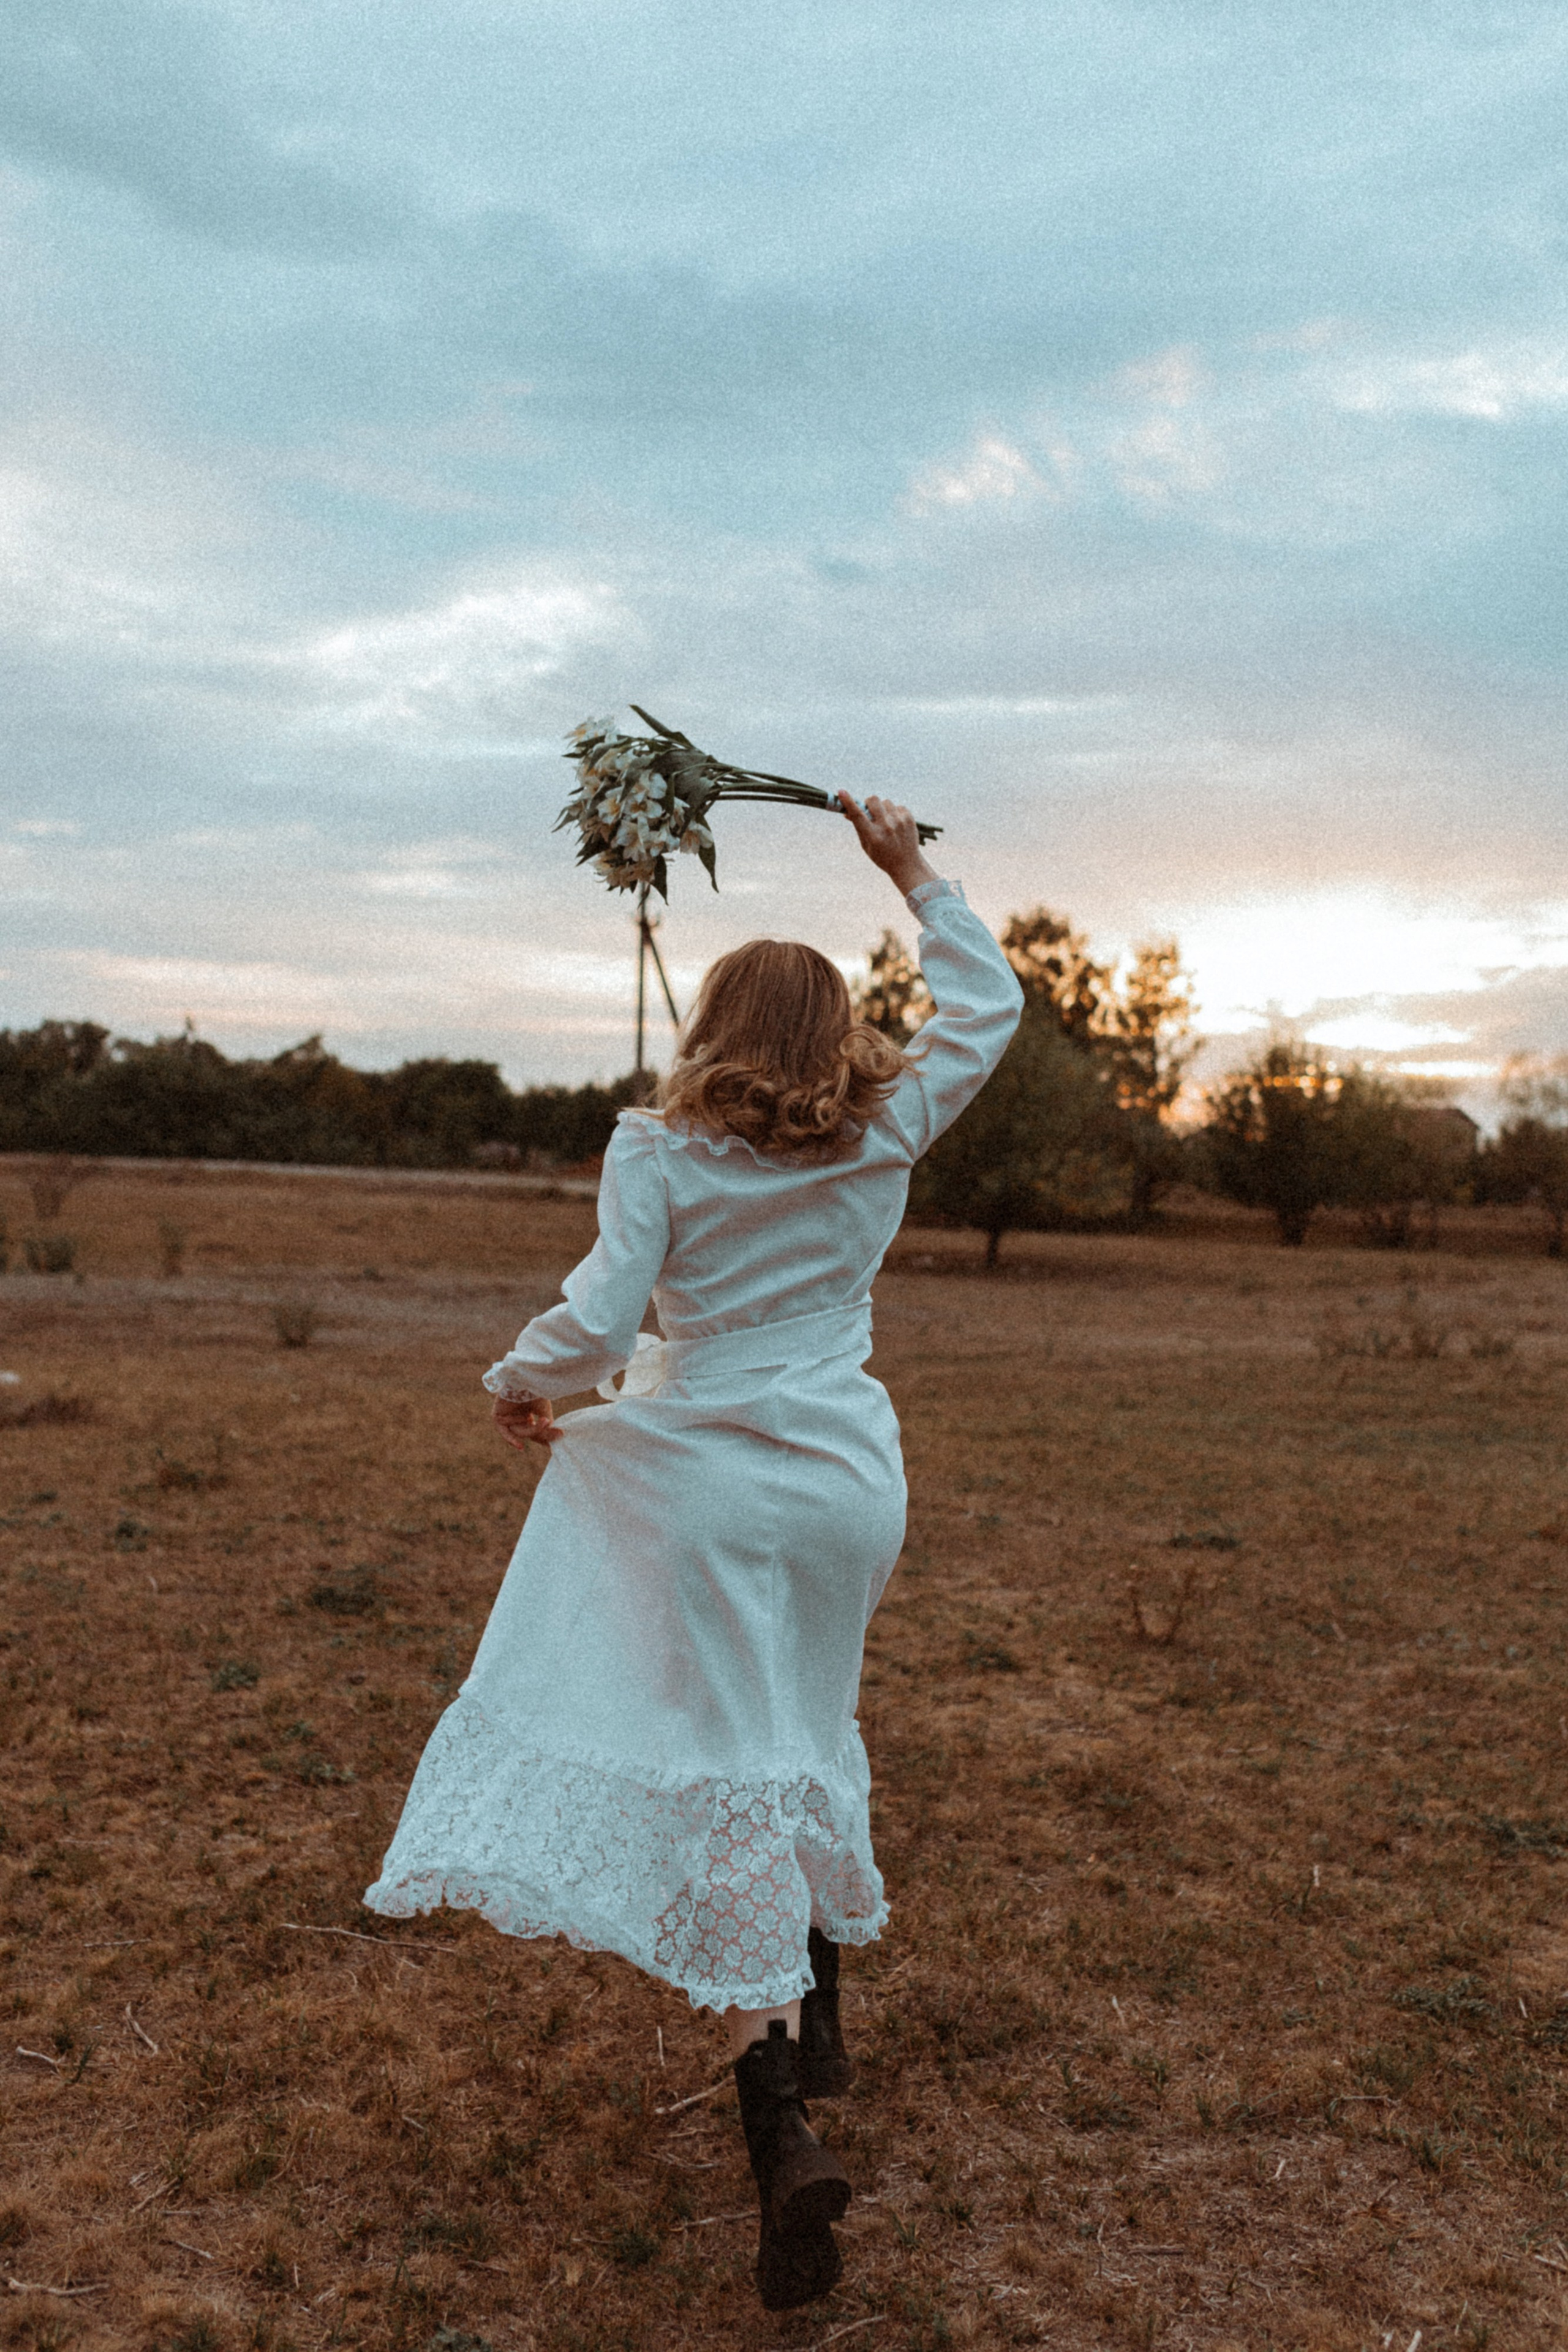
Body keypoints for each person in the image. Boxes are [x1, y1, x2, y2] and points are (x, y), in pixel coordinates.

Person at [364, 793, 1023, 2309]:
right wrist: (911, 868)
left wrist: (521, 1385)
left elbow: (601, 1322)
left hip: (713, 1485)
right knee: (806, 1722)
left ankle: (778, 2123)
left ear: (718, 1025)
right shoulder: (883, 1134)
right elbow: (985, 1005)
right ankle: (823, 2007)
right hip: (852, 1483)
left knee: (735, 1753)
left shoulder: (659, 1152)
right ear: (838, 1033)